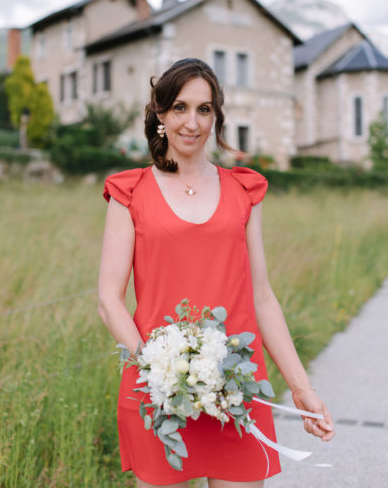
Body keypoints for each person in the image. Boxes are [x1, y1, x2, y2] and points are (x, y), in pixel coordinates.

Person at [97, 58, 334, 488]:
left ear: (217, 117)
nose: (192, 122)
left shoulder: (245, 190)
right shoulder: (129, 193)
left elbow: (262, 297)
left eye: (204, 109)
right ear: (161, 115)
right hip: (159, 391)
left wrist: (301, 389)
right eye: (181, 108)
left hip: (236, 389)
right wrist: (158, 371)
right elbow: (109, 300)